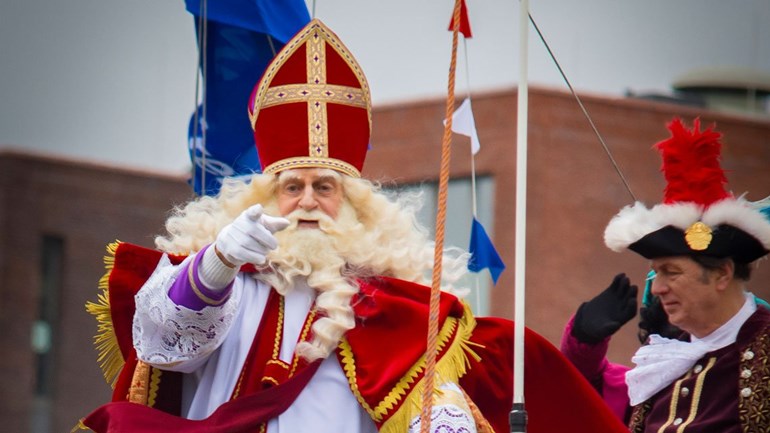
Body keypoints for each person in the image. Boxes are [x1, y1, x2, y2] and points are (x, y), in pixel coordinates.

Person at [76, 19, 628, 433]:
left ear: (356, 206)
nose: (309, 202)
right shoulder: (218, 281)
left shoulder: (395, 307)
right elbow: (162, 346)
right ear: (264, 198)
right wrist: (217, 263)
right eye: (292, 188)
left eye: (325, 188)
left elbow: (428, 402)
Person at [602, 118, 770, 431]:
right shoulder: (661, 360)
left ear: (722, 273)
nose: (658, 289)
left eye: (672, 272)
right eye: (656, 273)